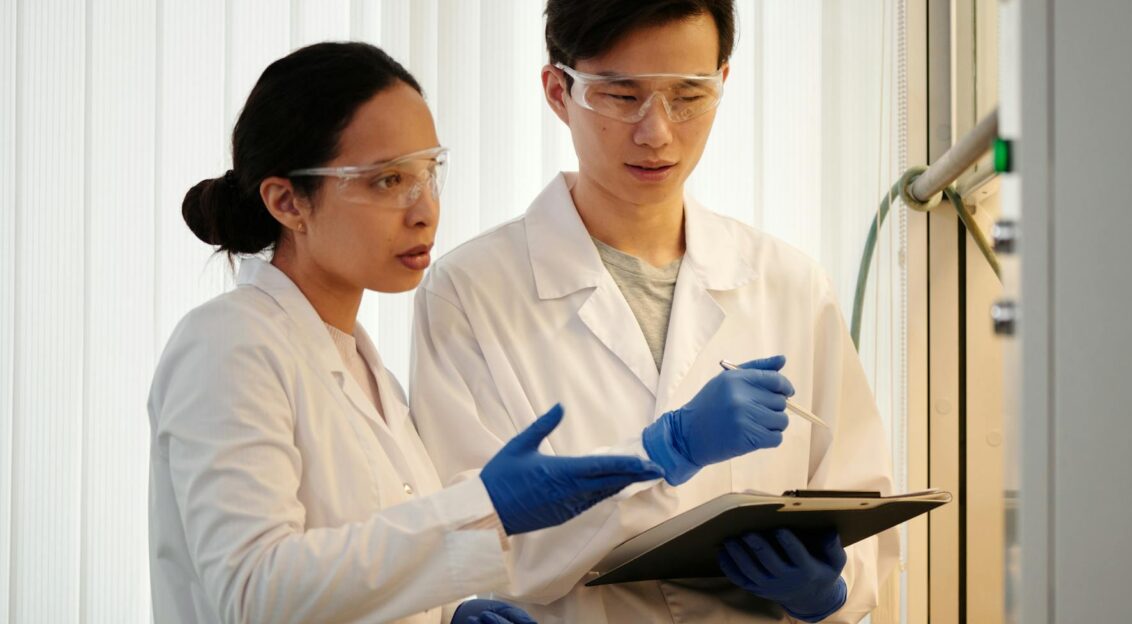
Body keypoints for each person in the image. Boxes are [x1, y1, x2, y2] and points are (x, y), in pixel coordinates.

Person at [409, 1, 899, 622]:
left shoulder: (790, 285)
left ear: (723, 81)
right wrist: (661, 457)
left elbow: (863, 510)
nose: (657, 132)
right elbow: (465, 540)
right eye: (620, 95)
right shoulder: (471, 292)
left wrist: (830, 593)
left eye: (689, 95)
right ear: (558, 91)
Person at [147, 42, 666, 624]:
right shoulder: (228, 344)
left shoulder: (373, 377)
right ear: (288, 201)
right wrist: (485, 505)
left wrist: (445, 617)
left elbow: (367, 577)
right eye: (388, 180)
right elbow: (252, 591)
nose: (425, 212)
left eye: (429, 173)